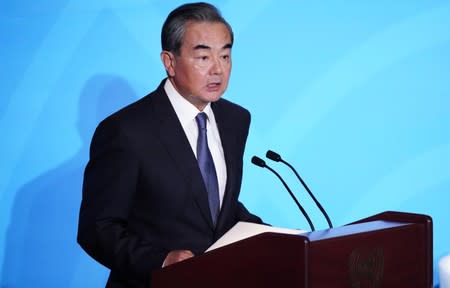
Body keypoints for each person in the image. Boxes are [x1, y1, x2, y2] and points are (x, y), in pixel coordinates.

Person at [77, 2, 263, 287]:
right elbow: (97, 229)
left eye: (225, 56)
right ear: (170, 61)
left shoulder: (235, 119)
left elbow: (214, 208)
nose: (218, 69)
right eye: (203, 57)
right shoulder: (125, 131)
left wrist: (280, 237)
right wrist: (161, 261)